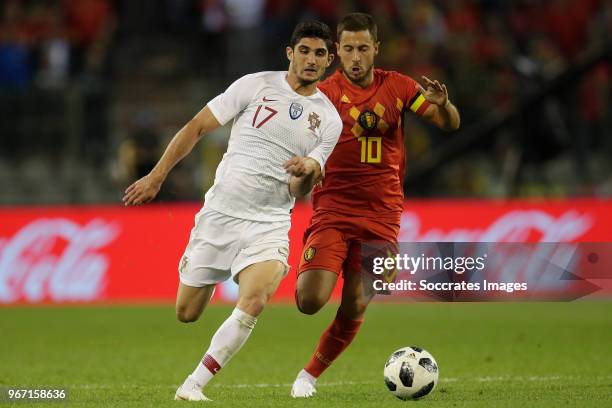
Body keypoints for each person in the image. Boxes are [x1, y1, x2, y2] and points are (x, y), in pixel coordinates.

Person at [122, 21, 342, 401]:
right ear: (290, 53)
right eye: (304, 51)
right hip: (222, 213)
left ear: (329, 61)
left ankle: (194, 385)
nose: (311, 59)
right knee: (187, 312)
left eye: (320, 53)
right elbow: (196, 127)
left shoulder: (329, 120)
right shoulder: (255, 85)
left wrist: (307, 172)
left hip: (270, 221)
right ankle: (207, 276)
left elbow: (300, 189)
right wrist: (156, 177)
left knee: (254, 300)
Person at [291, 12, 460, 398]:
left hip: (383, 216)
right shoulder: (324, 94)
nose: (355, 56)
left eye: (363, 48)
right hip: (333, 209)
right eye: (348, 48)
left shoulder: (398, 87)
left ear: (376, 49)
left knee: (356, 303)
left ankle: (309, 375)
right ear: (337, 51)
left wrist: (445, 106)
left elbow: (449, 123)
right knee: (309, 300)